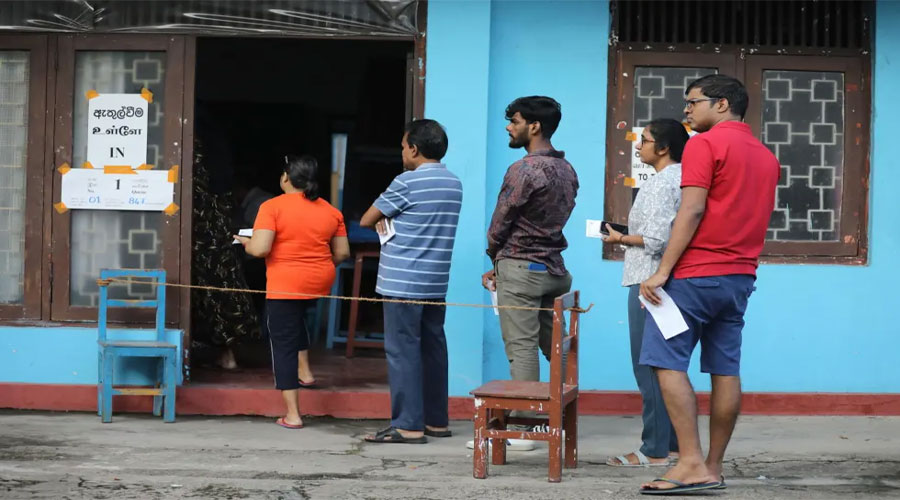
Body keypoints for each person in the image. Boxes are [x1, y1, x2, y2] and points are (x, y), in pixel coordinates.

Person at [637, 75, 779, 494]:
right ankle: (712, 466)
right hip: (739, 278)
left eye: (692, 102)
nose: (686, 110)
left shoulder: (704, 144)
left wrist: (662, 270)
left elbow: (693, 209)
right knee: (725, 369)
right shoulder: (766, 155)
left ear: (721, 105)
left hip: (695, 275)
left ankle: (690, 463)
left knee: (665, 362)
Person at [477, 96, 579, 451]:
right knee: (558, 349)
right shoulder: (567, 170)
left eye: (514, 120)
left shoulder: (524, 169)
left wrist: (494, 256)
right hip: (554, 270)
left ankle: (528, 429)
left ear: (533, 126)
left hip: (521, 270)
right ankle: (561, 421)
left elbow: (501, 220)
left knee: (521, 349)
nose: (509, 126)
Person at [360, 119, 462, 444]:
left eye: (404, 146)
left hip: (402, 282)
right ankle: (436, 421)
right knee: (434, 349)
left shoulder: (405, 182)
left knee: (402, 350)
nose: (402, 152)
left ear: (414, 149)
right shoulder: (454, 182)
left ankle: (407, 425)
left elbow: (367, 219)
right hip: (435, 282)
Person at [234, 155, 350, 429]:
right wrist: (317, 265)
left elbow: (261, 249)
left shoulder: (271, 207)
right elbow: (342, 252)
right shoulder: (331, 211)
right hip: (320, 281)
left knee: (282, 341)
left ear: (286, 178)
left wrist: (244, 242)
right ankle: (306, 372)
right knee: (295, 316)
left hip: (286, 283)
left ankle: (293, 415)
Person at [603, 119, 689, 467]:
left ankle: (654, 450)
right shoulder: (684, 179)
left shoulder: (660, 184)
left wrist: (619, 238)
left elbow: (656, 240)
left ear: (664, 148)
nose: (639, 147)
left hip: (649, 282)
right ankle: (670, 445)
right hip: (669, 282)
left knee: (649, 366)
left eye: (646, 141)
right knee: (664, 365)